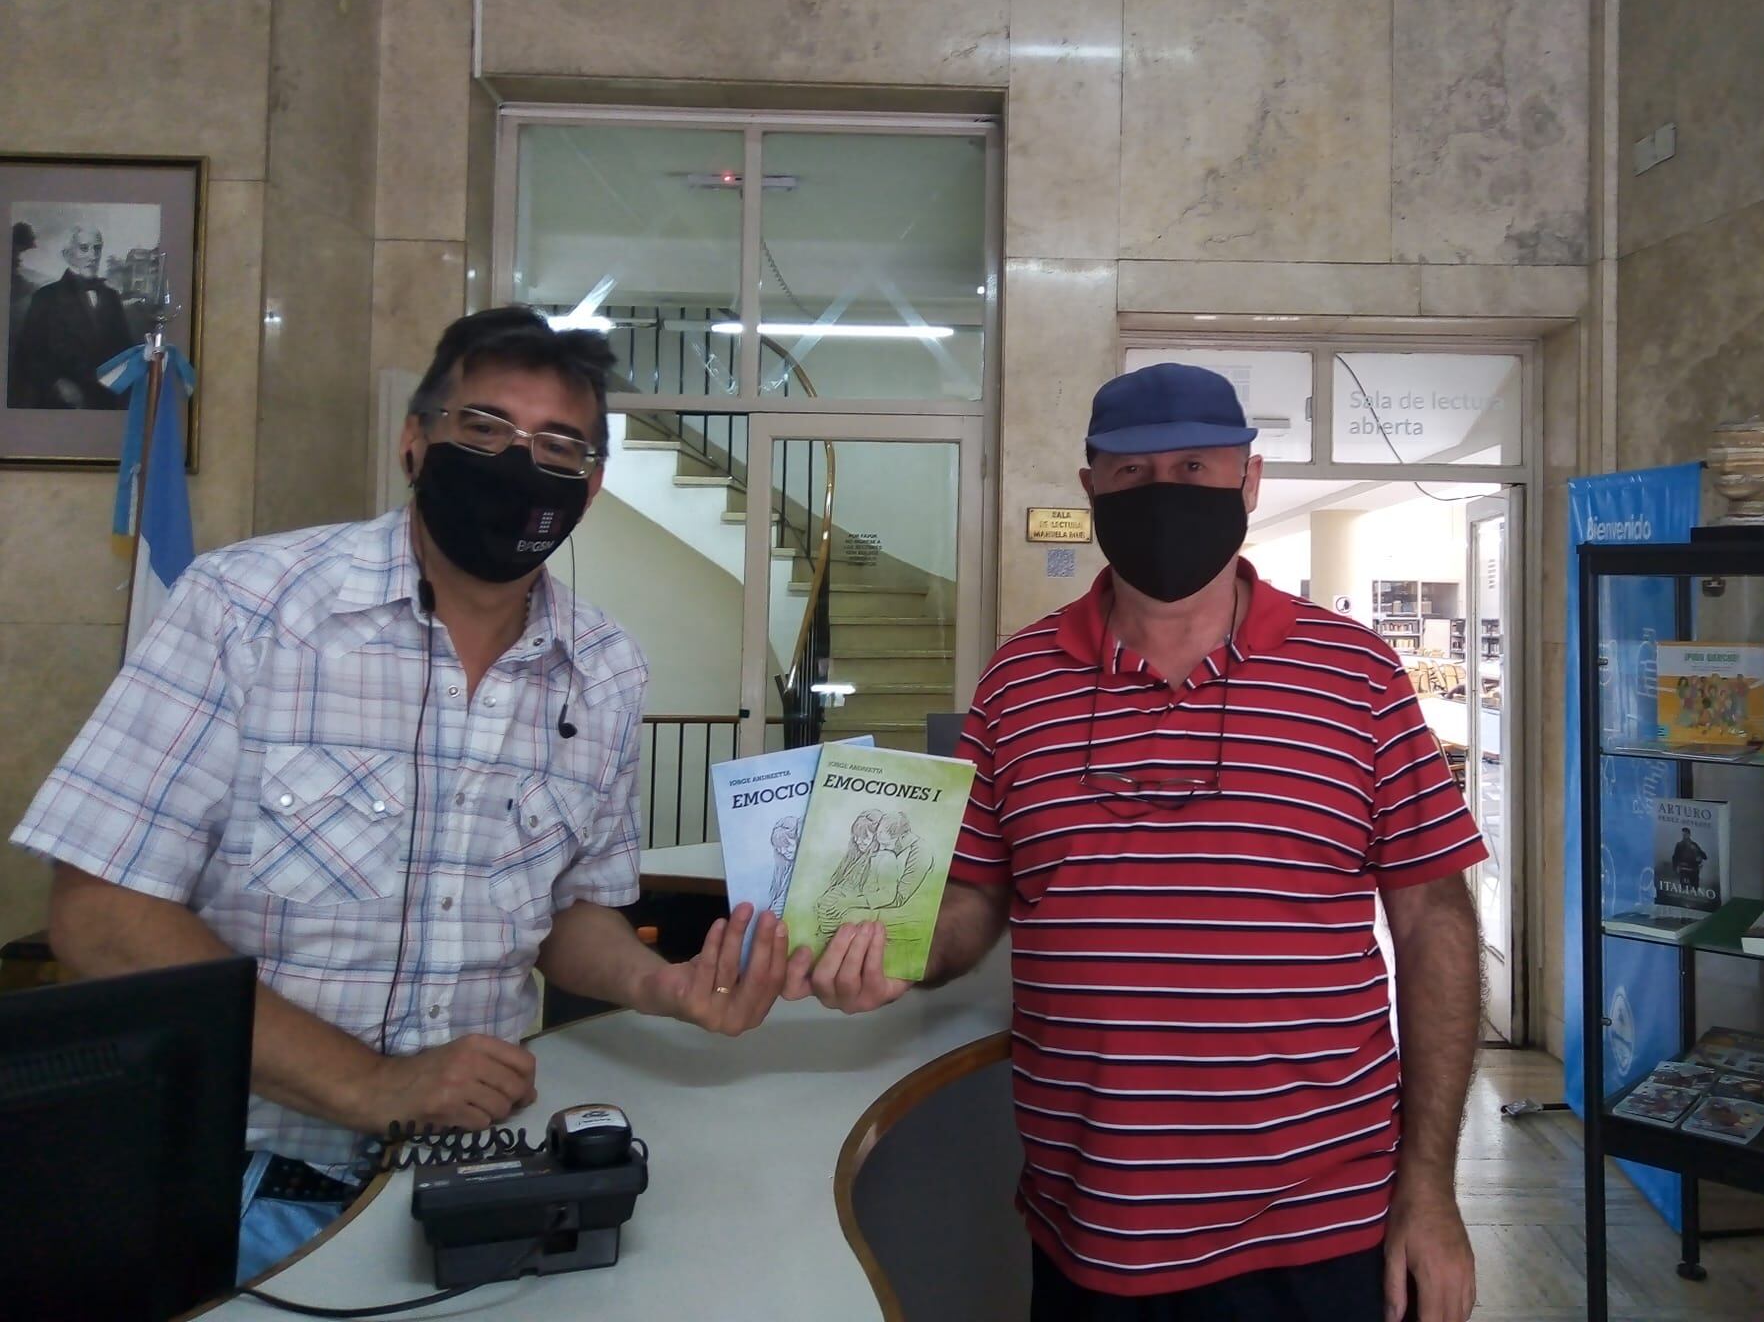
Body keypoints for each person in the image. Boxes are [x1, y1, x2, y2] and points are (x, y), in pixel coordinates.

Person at [12, 305, 790, 1282]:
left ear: (590, 486)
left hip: (477, 1182)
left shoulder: (604, 669)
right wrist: (370, 1083)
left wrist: (658, 984)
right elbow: (102, 914)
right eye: (483, 429)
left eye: (557, 445)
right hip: (240, 1185)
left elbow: (572, 919)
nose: (517, 462)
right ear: (414, 442)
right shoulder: (247, 609)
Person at [792, 362, 1487, 1322]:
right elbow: (978, 896)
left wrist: (1431, 1189)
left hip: (1323, 1226)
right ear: (1091, 490)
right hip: (1091, 1234)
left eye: (1197, 466)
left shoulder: (1357, 676)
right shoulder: (1018, 681)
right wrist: (896, 953)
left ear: (1250, 481)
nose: (1166, 492)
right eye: (1133, 472)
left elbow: (1433, 918)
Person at [10, 223, 135, 409]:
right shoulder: (45, 297)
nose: (93, 256)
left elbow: (125, 350)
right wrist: (56, 383)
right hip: (59, 405)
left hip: (107, 402)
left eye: (97, 248)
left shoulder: (112, 297)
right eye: (84, 248)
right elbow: (28, 355)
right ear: (67, 255)